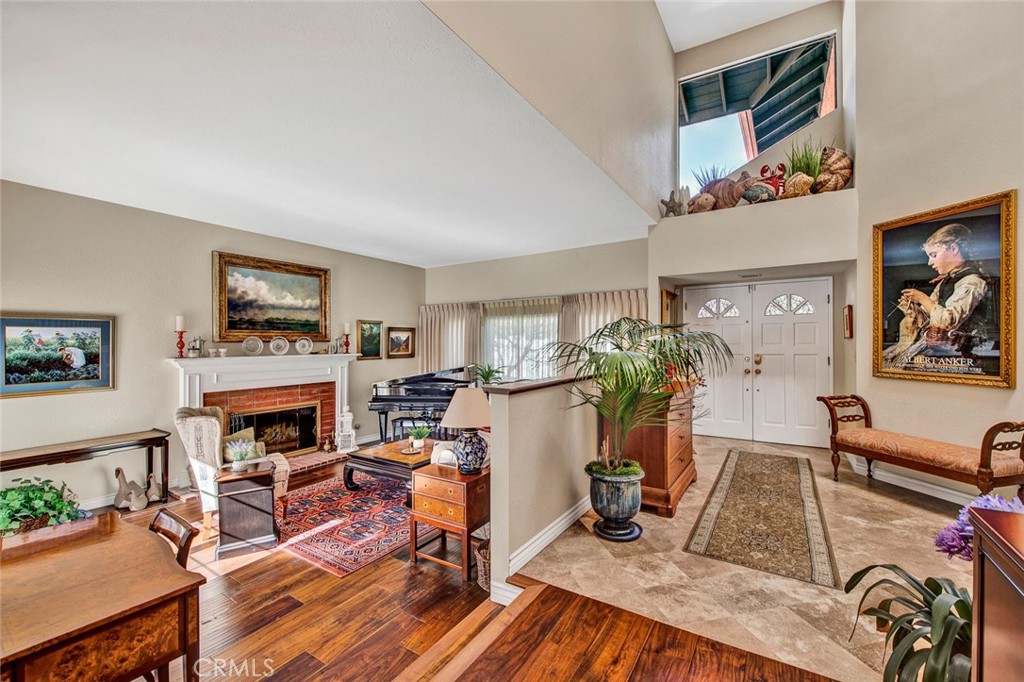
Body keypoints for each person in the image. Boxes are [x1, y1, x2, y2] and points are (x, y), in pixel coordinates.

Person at [883, 223, 989, 366]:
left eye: (934, 255)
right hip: (937, 349)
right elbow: (931, 319)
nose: (929, 262)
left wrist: (922, 298)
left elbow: (947, 321)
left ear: (953, 248)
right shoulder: (945, 282)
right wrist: (915, 309)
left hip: (953, 354)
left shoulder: (973, 282)